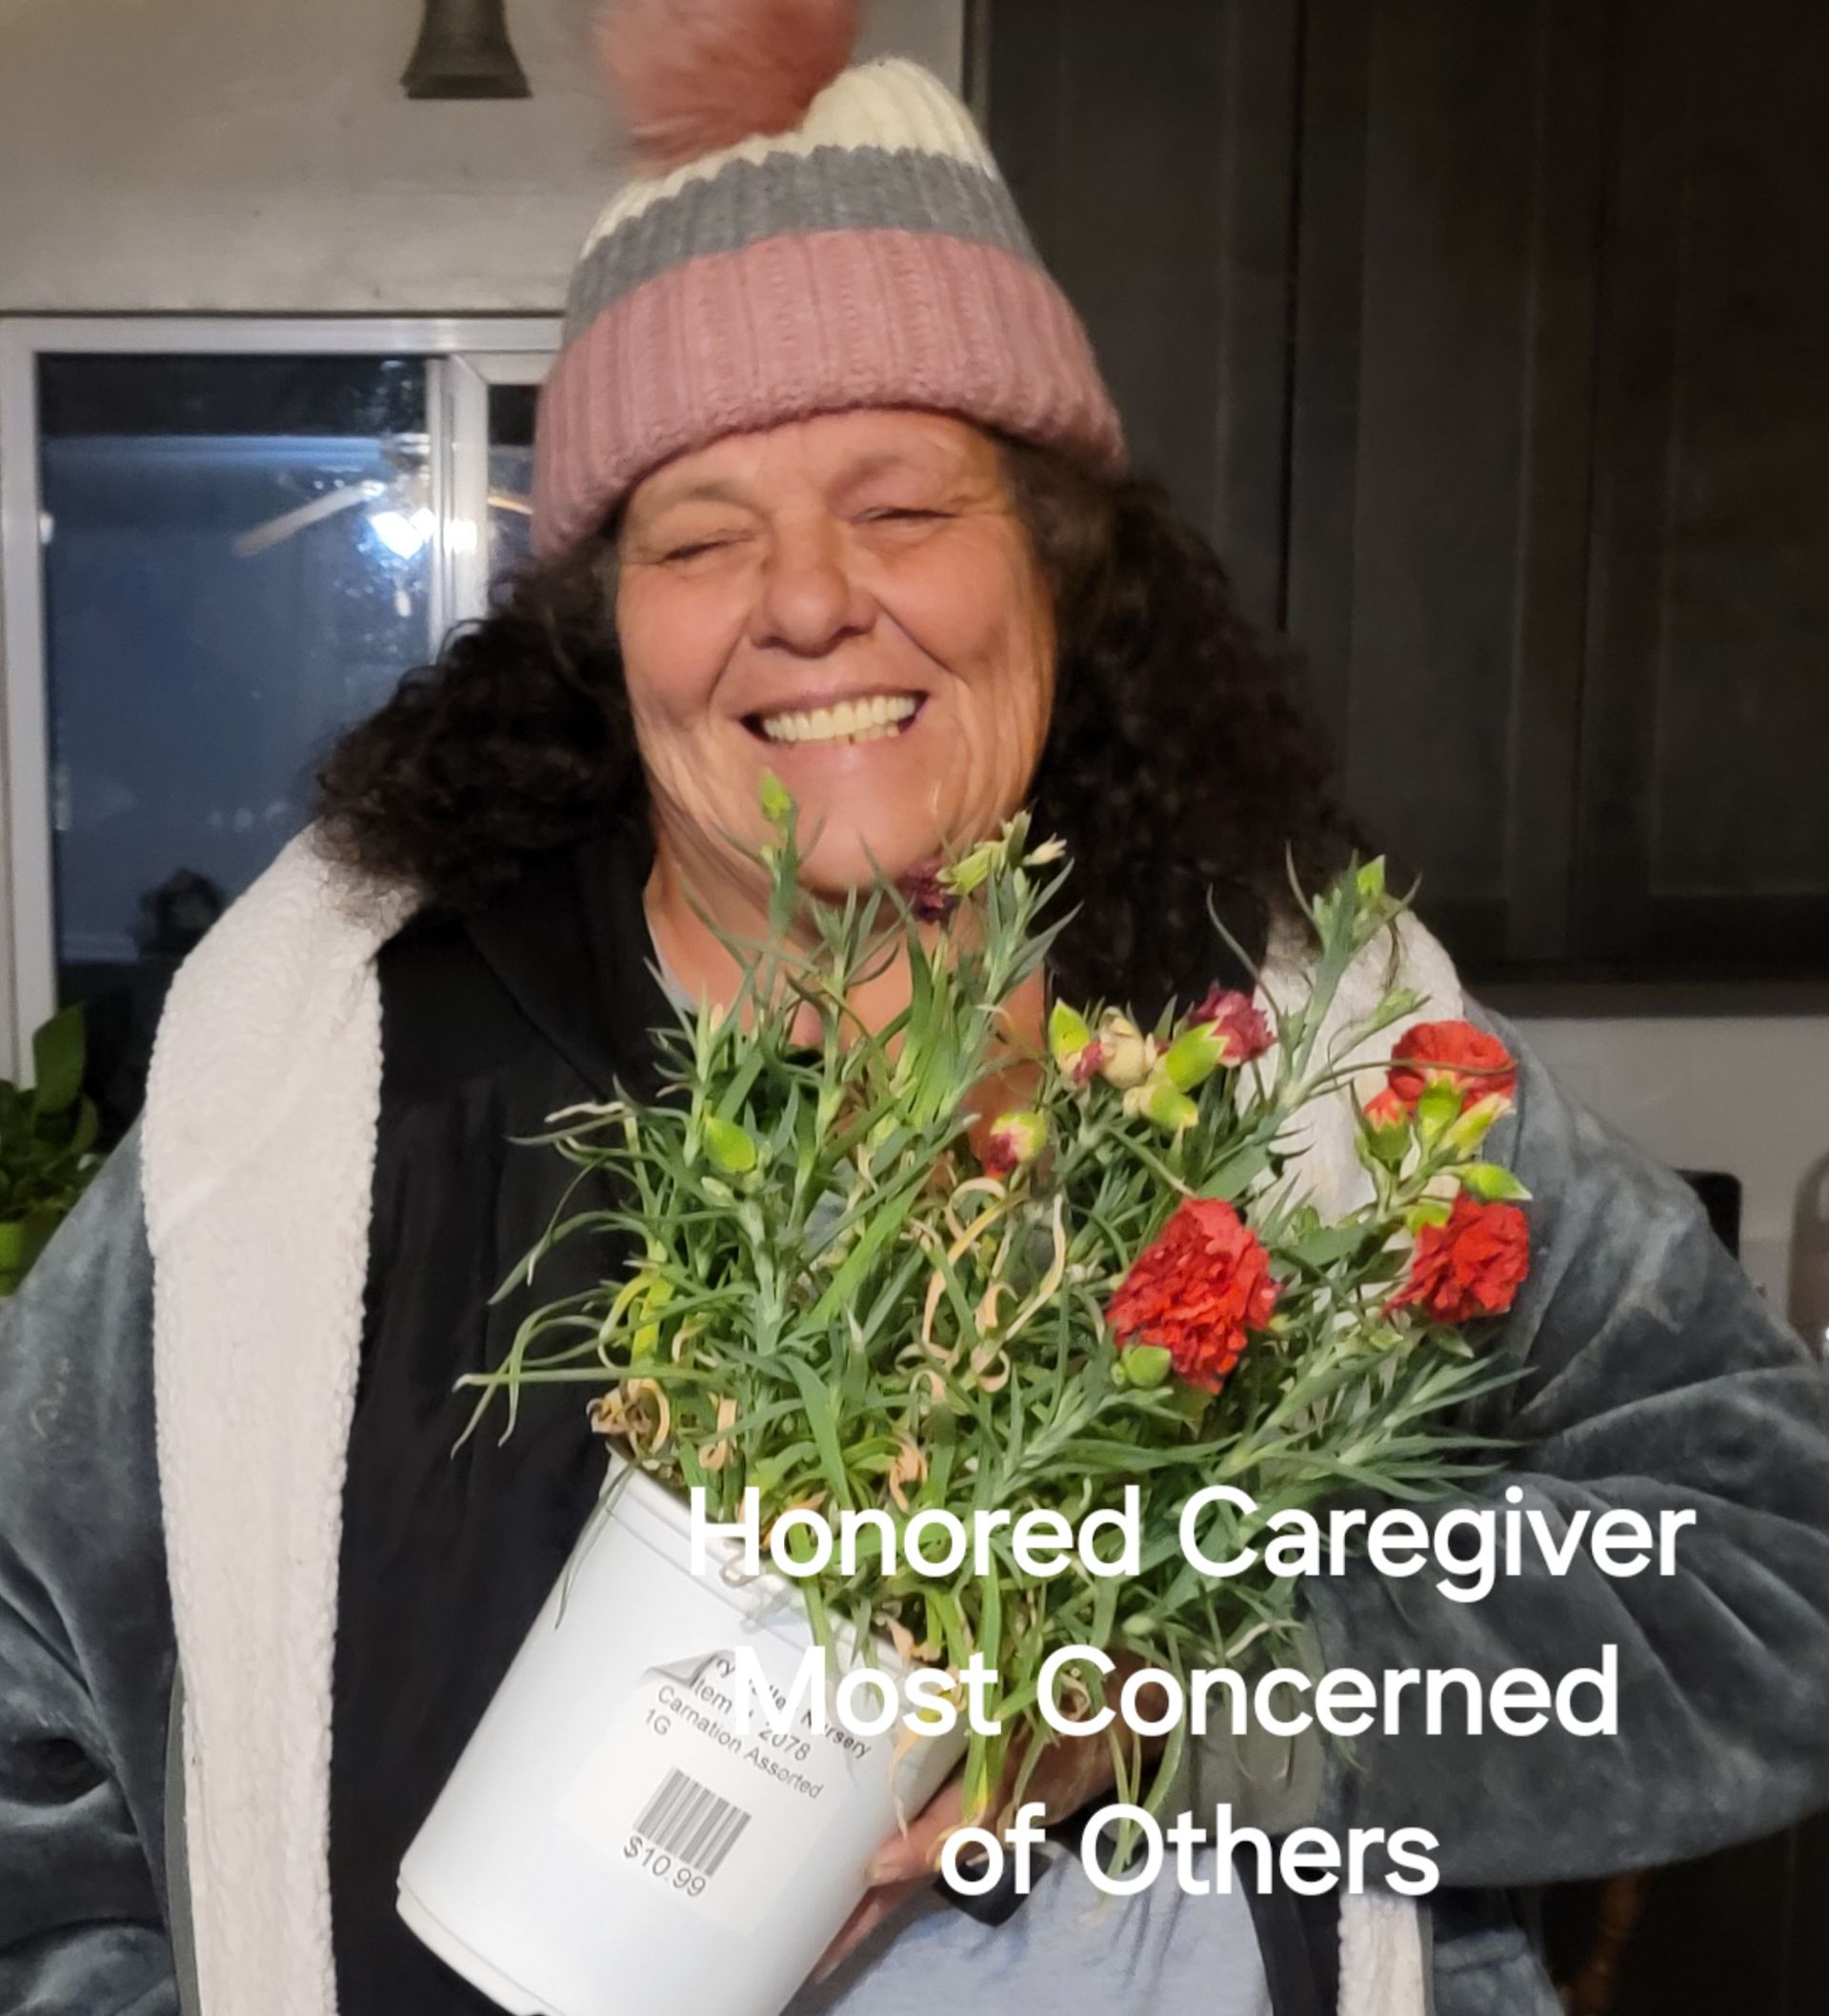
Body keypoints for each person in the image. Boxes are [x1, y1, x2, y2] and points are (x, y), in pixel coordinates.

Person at [4, 4, 1828, 2014]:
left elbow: (1773, 1567)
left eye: (902, 505)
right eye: (701, 533)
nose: (805, 601)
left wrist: (1174, 1692)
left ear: (1057, 571)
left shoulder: (1312, 1061)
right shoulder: (340, 1089)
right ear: (608, 632)